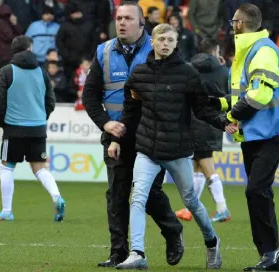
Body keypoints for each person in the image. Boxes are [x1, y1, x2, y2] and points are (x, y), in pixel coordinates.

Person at [110, 23, 225, 270]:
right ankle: (137, 253)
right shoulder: (138, 74)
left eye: (170, 40)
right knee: (138, 198)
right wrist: (116, 139)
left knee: (191, 201)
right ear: (152, 41)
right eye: (161, 39)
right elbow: (130, 112)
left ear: (176, 44)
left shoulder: (188, 74)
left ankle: (212, 241)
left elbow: (202, 108)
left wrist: (223, 122)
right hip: (147, 148)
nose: (165, 44)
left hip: (178, 150)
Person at [82, 1, 183, 268]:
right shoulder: (103, 51)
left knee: (149, 194)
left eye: (128, 18)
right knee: (117, 194)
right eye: (118, 18)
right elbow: (90, 95)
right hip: (116, 134)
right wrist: (105, 124)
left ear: (142, 23)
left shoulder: (159, 47)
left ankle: (173, 231)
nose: (122, 22)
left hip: (151, 135)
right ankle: (118, 252)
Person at [210, 3, 279, 271]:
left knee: (256, 191)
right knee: (259, 193)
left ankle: (270, 255)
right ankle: (270, 256)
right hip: (255, 134)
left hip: (269, 133)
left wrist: (231, 116)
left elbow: (260, 95)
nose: (231, 25)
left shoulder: (263, 51)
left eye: (234, 21)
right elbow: (243, 94)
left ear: (240, 24)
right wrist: (219, 104)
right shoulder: (252, 51)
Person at [0, 35, 65, 222]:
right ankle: (57, 197)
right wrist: (41, 118)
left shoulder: (7, 71)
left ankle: (7, 211)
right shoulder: (42, 72)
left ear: (13, 50)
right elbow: (50, 101)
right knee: (40, 168)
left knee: (7, 167)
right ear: (30, 49)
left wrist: (3, 122)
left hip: (14, 128)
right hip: (38, 128)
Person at [175, 38, 231, 223]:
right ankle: (190, 208)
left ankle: (222, 207)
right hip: (214, 121)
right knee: (198, 166)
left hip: (194, 120)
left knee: (205, 165)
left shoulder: (189, 68)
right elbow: (228, 94)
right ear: (216, 51)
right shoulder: (223, 71)